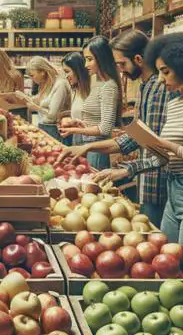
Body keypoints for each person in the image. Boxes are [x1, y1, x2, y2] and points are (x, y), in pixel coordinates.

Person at [123, 33, 183, 282]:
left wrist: (171, 145)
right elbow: (164, 158)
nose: (161, 78)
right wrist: (129, 169)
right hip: (172, 192)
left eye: (165, 71)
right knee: (164, 269)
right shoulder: (174, 104)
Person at [61, 30, 171, 228]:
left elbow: (157, 147)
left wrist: (126, 170)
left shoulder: (158, 89)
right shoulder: (145, 87)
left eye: (122, 64)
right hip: (146, 180)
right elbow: (134, 137)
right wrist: (87, 148)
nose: (120, 70)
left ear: (138, 59)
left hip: (158, 181)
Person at [59, 36, 122, 170]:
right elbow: (93, 118)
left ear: (102, 58)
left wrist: (75, 130)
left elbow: (105, 129)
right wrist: (76, 122)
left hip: (97, 149)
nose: (86, 65)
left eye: (90, 59)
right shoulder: (94, 80)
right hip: (84, 144)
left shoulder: (109, 86)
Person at [22, 56, 71, 140]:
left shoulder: (60, 85)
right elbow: (42, 100)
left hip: (56, 130)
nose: (31, 79)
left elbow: (52, 115)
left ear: (42, 72)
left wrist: (36, 108)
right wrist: (24, 98)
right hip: (44, 127)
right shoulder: (44, 84)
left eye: (32, 75)